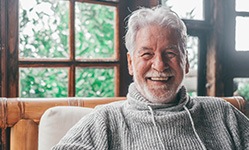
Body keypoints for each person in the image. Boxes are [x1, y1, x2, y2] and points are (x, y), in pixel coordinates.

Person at [52, 6, 249, 150]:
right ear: (130, 63)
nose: (159, 65)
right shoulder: (105, 121)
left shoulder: (223, 114)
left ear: (186, 62)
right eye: (147, 54)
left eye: (170, 53)